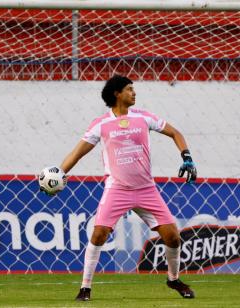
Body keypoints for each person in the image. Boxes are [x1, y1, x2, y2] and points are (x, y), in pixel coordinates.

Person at [46, 75, 197, 301]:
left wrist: (187, 157)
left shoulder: (144, 117)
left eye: (133, 89)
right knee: (98, 234)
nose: (134, 93)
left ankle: (173, 280)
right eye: (129, 89)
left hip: (147, 189)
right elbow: (77, 153)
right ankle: (85, 288)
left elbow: (176, 133)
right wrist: (58, 175)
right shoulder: (101, 124)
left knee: (173, 237)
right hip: (117, 189)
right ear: (117, 94)